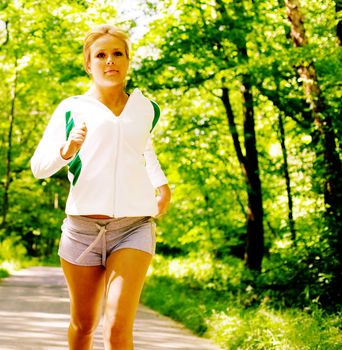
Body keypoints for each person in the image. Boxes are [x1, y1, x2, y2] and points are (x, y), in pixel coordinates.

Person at [30, 24, 171, 350]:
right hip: (82, 229)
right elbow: (39, 167)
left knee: (118, 328)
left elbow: (142, 148)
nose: (110, 61)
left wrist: (161, 184)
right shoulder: (71, 108)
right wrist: (67, 150)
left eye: (117, 53)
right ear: (88, 64)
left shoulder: (146, 108)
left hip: (133, 228)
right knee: (83, 326)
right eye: (101, 55)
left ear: (128, 60)